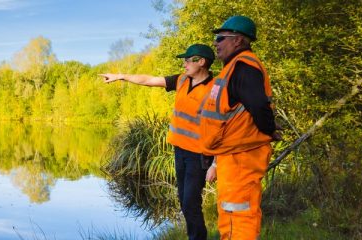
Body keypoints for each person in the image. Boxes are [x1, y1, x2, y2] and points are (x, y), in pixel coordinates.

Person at [100, 44, 216, 240]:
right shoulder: (181, 80)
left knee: (190, 202)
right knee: (184, 201)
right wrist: (121, 76)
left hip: (199, 155)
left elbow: (223, 126)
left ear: (201, 62)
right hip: (179, 150)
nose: (184, 63)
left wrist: (216, 163)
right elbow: (149, 80)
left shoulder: (216, 89)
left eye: (188, 60)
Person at [201, 15, 278, 239]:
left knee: (239, 215)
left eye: (221, 38)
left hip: (242, 157)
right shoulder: (233, 68)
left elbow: (259, 106)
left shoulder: (244, 67)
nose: (216, 43)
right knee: (230, 213)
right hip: (232, 156)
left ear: (238, 40)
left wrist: (269, 130)